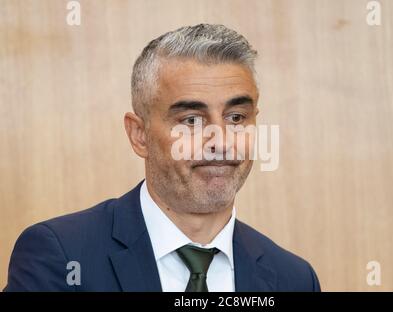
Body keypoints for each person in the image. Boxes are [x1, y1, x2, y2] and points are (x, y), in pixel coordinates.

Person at [4, 24, 320, 292]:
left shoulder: (294, 279)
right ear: (139, 134)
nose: (220, 141)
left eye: (237, 117)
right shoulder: (59, 255)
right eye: (191, 120)